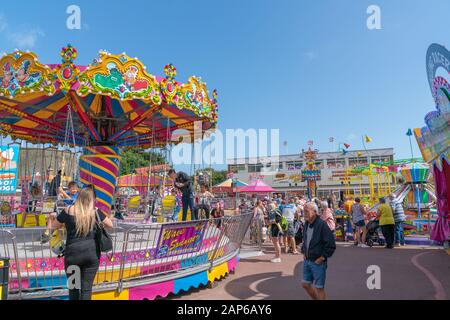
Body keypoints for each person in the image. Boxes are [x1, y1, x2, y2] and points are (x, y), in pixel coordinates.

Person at [47, 185, 113, 300]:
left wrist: (51, 219)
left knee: (73, 289)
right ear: (92, 199)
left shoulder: (68, 210)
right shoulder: (95, 212)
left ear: (79, 196)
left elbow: (53, 227)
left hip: (72, 255)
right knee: (86, 290)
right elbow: (110, 225)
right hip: (91, 255)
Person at [301, 202, 336, 300]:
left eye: (307, 211)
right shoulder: (306, 224)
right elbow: (306, 239)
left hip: (318, 262)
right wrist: (304, 251)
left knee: (319, 288)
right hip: (307, 260)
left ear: (315, 212)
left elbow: (331, 244)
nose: (305, 213)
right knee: (305, 284)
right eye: (304, 211)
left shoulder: (322, 225)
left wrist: (322, 257)